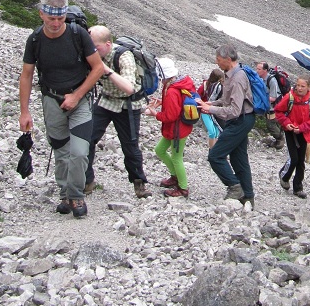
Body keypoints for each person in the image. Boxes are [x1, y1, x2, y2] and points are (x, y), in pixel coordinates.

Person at [19, 0, 105, 218]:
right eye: (51, 18)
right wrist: (24, 112)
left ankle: (76, 195)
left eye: (60, 18)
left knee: (78, 152)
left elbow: (97, 68)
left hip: (80, 101)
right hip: (51, 100)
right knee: (61, 151)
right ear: (42, 14)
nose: (56, 23)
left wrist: (76, 96)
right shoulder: (35, 40)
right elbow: (26, 75)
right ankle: (64, 194)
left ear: (65, 15)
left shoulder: (78, 35)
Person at [84, 26, 151, 199]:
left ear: (108, 44)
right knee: (87, 139)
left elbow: (129, 87)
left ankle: (139, 183)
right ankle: (87, 180)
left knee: (130, 146)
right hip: (106, 100)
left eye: (96, 48)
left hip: (127, 105)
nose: (92, 51)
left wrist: (107, 70)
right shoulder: (92, 54)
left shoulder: (124, 56)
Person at [199, 44, 255, 207]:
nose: (216, 62)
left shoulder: (237, 78)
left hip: (240, 120)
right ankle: (248, 197)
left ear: (228, 60)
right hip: (243, 118)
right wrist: (210, 103)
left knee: (215, 155)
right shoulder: (231, 74)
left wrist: (211, 109)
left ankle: (234, 186)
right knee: (239, 159)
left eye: (218, 59)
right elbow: (226, 100)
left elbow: (234, 110)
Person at [145, 58, 196, 198]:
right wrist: (163, 103)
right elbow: (176, 106)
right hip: (178, 128)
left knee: (176, 158)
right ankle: (175, 177)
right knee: (159, 150)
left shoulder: (172, 90)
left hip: (177, 130)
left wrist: (155, 114)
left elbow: (171, 115)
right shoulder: (175, 84)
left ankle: (183, 187)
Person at [274, 73, 310, 198]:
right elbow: (279, 111)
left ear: (308, 87)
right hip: (290, 131)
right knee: (294, 158)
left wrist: (302, 128)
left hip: (303, 132)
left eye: (302, 86)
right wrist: (287, 124)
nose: (299, 88)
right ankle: (284, 176)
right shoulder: (289, 97)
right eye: (298, 85)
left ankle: (298, 188)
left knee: (301, 161)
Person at [256, 61, 285, 150]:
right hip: (268, 106)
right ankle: (279, 138)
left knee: (270, 124)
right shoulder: (261, 79)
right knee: (271, 123)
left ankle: (280, 139)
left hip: (274, 106)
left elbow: (273, 97)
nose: (257, 71)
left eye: (259, 69)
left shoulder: (271, 80)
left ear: (265, 70)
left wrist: (261, 97)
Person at [197, 67, 224, 148]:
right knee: (212, 132)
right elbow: (197, 96)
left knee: (216, 132)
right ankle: (212, 150)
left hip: (212, 111)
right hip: (205, 111)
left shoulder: (216, 87)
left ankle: (213, 150)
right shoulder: (204, 86)